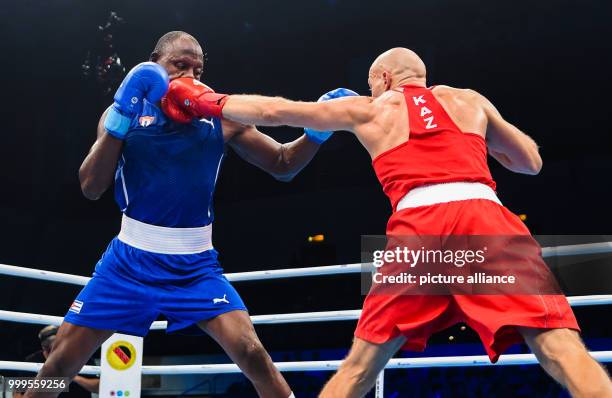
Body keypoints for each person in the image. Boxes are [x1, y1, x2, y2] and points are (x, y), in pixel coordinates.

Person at [163, 47, 612, 397]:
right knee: (560, 348)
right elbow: (529, 162)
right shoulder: (469, 101)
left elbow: (275, 111)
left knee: (360, 366)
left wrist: (208, 102)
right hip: (485, 217)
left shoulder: (370, 108)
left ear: (382, 79)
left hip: (419, 229)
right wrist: (484, 141)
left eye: (372, 84)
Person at [23, 30, 332, 398]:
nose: (189, 76)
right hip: (128, 265)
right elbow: (91, 186)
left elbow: (283, 163)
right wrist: (119, 120)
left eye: (197, 70)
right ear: (154, 64)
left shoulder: (220, 117)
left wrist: (315, 134)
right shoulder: (123, 111)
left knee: (252, 353)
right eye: (179, 65)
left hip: (195, 267)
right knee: (59, 363)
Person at [15, 326, 99, 397]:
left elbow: (99, 387)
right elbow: (17, 394)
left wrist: (74, 377)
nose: (53, 349)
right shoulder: (32, 361)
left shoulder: (80, 355)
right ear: (43, 347)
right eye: (49, 347)